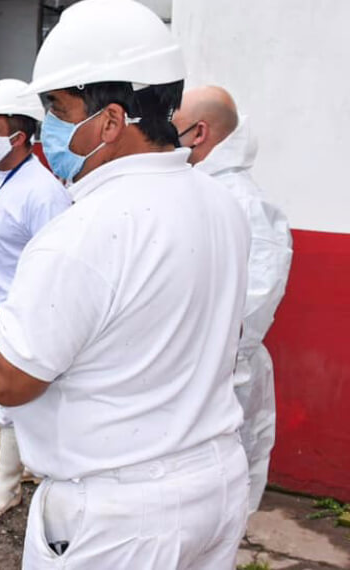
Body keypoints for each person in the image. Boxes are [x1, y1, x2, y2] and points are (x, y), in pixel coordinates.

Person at [0, 0, 252, 567]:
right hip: (213, 485)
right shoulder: (217, 201)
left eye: (57, 108)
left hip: (120, 515)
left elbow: (10, 379)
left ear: (112, 120)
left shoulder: (86, 230)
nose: (48, 129)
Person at [174, 85, 293, 516]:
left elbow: (247, 316)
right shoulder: (190, 190)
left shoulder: (246, 205)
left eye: (172, 124)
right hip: (185, 381)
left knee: (218, 504)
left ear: (198, 132)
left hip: (224, 383)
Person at [0, 78, 71, 518]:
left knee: (13, 395)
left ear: (19, 137)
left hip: (21, 308)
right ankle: (22, 464)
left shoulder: (43, 192)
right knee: (6, 395)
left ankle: (7, 484)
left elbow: (56, 264)